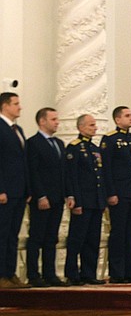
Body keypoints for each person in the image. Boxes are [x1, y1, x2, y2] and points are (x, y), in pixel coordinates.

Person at [100, 106, 131, 284]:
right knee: (119, 233)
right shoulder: (110, 140)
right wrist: (110, 193)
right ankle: (117, 273)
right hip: (119, 194)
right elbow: (107, 169)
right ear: (117, 119)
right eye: (127, 116)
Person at [25, 107, 66, 287]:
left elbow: (62, 172)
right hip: (42, 198)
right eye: (53, 119)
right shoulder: (33, 143)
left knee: (51, 237)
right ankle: (33, 275)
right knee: (37, 237)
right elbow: (33, 172)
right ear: (42, 121)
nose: (57, 122)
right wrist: (40, 195)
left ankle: (50, 274)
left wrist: (66, 194)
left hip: (57, 198)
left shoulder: (59, 143)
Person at [64, 113, 106, 285]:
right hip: (82, 201)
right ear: (81, 127)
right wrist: (75, 200)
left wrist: (101, 200)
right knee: (77, 239)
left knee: (92, 240)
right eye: (91, 125)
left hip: (95, 201)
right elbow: (71, 177)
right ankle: (72, 274)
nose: (95, 127)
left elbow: (99, 177)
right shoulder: (74, 148)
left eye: (94, 124)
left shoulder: (95, 149)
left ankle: (89, 273)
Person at [0, 92, 28, 289]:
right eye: (16, 104)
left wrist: (27, 189)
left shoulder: (17, 129)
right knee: (2, 233)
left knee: (13, 234)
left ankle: (10, 273)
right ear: (5, 106)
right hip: (5, 192)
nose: (20, 107)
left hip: (18, 191)